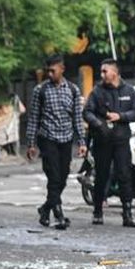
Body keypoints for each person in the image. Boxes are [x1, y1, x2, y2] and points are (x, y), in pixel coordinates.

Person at [25, 53, 86, 230]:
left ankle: (45, 209)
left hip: (66, 139)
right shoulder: (40, 90)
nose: (50, 74)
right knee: (53, 176)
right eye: (48, 71)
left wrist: (82, 142)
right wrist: (31, 143)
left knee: (63, 177)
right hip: (47, 138)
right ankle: (59, 215)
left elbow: (77, 118)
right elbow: (34, 118)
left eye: (53, 71)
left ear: (62, 69)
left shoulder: (73, 90)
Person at [83, 59, 135, 227]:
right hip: (102, 140)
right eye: (101, 71)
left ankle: (127, 213)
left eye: (105, 71)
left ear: (114, 72)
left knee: (124, 175)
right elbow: (87, 112)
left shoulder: (129, 91)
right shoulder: (97, 92)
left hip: (121, 140)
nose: (102, 75)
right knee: (102, 176)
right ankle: (98, 211)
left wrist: (120, 116)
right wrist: (98, 123)